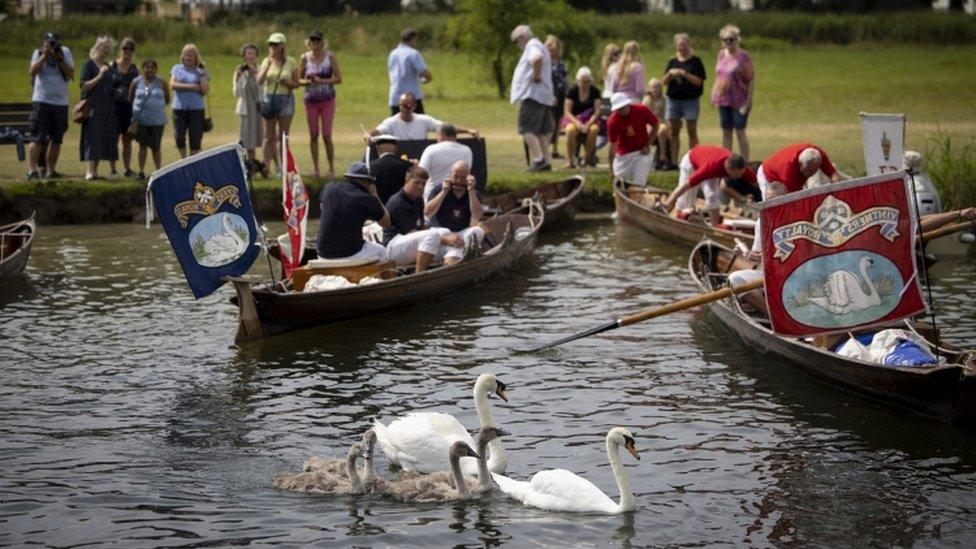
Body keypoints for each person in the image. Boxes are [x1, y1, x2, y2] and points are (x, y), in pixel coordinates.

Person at [384, 166, 468, 271]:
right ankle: (419, 277)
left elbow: (421, 227)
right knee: (434, 235)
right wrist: (444, 239)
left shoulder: (418, 200)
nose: (420, 187)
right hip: (393, 247)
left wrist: (448, 238)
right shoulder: (398, 202)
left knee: (448, 237)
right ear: (407, 181)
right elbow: (411, 233)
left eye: (423, 184)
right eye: (416, 182)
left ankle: (450, 272)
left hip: (410, 244)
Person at [661, 145, 755, 227]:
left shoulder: (740, 166)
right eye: (738, 174)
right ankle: (674, 215)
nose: (740, 177)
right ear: (729, 169)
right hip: (691, 162)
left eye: (741, 173)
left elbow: (758, 181)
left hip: (708, 163)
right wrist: (666, 204)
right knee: (685, 202)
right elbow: (683, 187)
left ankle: (714, 227)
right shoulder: (711, 167)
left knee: (711, 196)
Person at [315, 161, 390, 261]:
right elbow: (386, 223)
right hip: (349, 253)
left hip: (322, 253)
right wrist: (375, 195)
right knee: (382, 251)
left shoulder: (330, 187)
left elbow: (322, 207)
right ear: (367, 182)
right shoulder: (367, 198)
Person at [27, 31, 74, 180]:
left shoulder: (64, 52)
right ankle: (32, 170)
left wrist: (58, 58)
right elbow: (32, 72)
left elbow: (71, 73)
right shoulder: (38, 52)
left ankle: (51, 171)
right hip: (42, 101)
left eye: (54, 43)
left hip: (60, 103)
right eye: (49, 43)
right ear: (44, 43)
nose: (52, 45)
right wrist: (44, 55)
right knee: (37, 137)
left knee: (57, 138)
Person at [510, 24, 555, 173]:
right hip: (543, 95)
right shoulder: (539, 45)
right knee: (541, 131)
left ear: (521, 37)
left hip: (533, 94)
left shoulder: (532, 46)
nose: (517, 45)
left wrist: (536, 76)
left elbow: (537, 59)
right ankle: (545, 161)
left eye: (516, 42)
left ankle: (538, 159)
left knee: (526, 128)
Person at [299, 30, 341, 178]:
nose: (315, 43)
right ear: (309, 42)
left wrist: (322, 81)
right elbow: (299, 80)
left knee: (327, 135)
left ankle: (331, 168)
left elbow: (338, 78)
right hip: (310, 101)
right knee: (313, 135)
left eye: (318, 40)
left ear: (322, 42)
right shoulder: (304, 58)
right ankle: (316, 168)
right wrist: (309, 81)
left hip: (327, 100)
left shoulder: (330, 57)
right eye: (312, 40)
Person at [662, 33, 706, 170]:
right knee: (674, 131)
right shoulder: (672, 61)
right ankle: (674, 161)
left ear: (689, 44)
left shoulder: (696, 62)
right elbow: (664, 81)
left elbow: (699, 82)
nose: (681, 48)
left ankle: (694, 160)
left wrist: (684, 74)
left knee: (691, 131)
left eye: (684, 45)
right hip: (674, 100)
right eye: (679, 45)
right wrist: (671, 74)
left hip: (690, 100)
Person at [711, 25, 754, 161]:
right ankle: (727, 160)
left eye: (731, 39)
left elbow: (751, 79)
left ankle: (745, 162)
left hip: (740, 100)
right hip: (723, 99)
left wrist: (749, 100)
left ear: (737, 40)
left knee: (740, 131)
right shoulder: (721, 54)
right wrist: (714, 94)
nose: (728, 42)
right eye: (725, 40)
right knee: (726, 131)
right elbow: (718, 76)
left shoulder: (743, 57)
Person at [423, 160, 485, 254]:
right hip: (441, 232)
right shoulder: (439, 189)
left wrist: (471, 191)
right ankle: (463, 251)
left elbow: (477, 216)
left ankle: (463, 251)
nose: (459, 181)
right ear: (450, 174)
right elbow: (427, 212)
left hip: (461, 233)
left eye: (462, 177)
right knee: (443, 232)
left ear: (468, 177)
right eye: (456, 176)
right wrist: (443, 192)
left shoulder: (473, 193)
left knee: (478, 231)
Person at [257, 32, 298, 176]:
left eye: (275, 44)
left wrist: (287, 83)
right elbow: (260, 81)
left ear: (282, 45)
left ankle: (284, 168)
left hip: (286, 99)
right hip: (269, 99)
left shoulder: (291, 62)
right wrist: (267, 67)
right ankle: (266, 168)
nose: (272, 47)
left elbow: (296, 83)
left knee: (283, 136)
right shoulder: (266, 61)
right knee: (268, 137)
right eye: (270, 44)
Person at [79, 35, 118, 181]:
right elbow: (84, 87)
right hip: (92, 108)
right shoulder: (89, 65)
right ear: (98, 47)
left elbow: (112, 86)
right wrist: (100, 75)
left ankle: (94, 172)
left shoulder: (108, 66)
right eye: (104, 47)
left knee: (101, 139)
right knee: (92, 137)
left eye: (109, 48)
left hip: (106, 108)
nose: (106, 50)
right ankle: (89, 171)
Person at [368, 92, 478, 141]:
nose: (404, 109)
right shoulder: (391, 122)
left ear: (414, 106)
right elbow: (378, 131)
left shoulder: (423, 120)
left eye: (408, 105)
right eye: (402, 105)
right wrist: (368, 135)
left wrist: (468, 130)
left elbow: (445, 128)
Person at [128, 58, 169, 179]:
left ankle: (158, 171)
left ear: (156, 69)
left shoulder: (161, 82)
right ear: (142, 69)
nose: (149, 70)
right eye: (147, 67)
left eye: (152, 67)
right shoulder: (136, 82)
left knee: (156, 147)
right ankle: (141, 171)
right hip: (141, 121)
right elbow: (131, 98)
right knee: (142, 146)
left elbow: (167, 98)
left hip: (158, 121)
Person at [607, 92, 657, 188]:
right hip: (623, 154)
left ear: (628, 103)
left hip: (641, 152)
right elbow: (612, 145)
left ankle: (636, 198)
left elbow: (655, 124)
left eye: (624, 106)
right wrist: (610, 169)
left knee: (639, 183)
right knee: (618, 183)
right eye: (619, 108)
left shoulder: (641, 110)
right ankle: (620, 200)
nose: (622, 109)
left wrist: (648, 145)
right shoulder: (612, 121)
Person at [758, 143, 844, 197]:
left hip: (787, 173)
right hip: (768, 175)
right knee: (772, 206)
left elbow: (835, 176)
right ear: (801, 164)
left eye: (812, 171)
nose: (810, 175)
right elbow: (794, 198)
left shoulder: (817, 154)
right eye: (808, 172)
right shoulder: (788, 170)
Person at [169, 43, 209, 158]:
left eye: (191, 55)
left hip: (196, 109)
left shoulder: (201, 70)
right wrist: (191, 87)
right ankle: (183, 159)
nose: (188, 57)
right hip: (179, 109)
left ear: (196, 57)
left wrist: (202, 73)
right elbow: (172, 84)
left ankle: (192, 161)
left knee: (195, 138)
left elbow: (205, 90)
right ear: (182, 56)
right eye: (186, 55)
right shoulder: (176, 68)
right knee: (179, 136)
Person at [562, 66, 602, 169]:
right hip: (574, 119)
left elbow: (597, 110)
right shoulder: (572, 92)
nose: (585, 84)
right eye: (583, 81)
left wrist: (588, 123)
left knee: (594, 130)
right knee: (570, 130)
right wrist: (578, 123)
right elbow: (567, 111)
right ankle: (570, 160)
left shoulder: (595, 91)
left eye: (588, 81)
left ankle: (586, 159)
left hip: (590, 120)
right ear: (578, 81)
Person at [418, 123, 473, 199]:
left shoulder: (431, 149)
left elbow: (421, 173)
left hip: (433, 195)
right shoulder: (467, 150)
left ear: (441, 135)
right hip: (458, 196)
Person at [110, 37, 139, 178]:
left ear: (134, 51)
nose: (127, 51)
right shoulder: (112, 65)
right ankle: (113, 168)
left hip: (129, 107)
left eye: (130, 49)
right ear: (120, 49)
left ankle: (127, 168)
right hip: (114, 107)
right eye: (125, 48)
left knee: (127, 139)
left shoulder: (135, 69)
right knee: (114, 138)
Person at [233, 43, 264, 175]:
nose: (250, 56)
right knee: (246, 139)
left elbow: (263, 88)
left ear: (256, 55)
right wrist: (240, 77)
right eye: (248, 53)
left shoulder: (261, 69)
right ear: (244, 56)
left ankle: (258, 166)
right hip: (246, 109)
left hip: (258, 108)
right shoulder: (240, 71)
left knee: (258, 137)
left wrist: (256, 75)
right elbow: (237, 93)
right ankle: (249, 166)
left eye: (253, 53)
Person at [387, 28, 432, 116]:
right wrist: (426, 80)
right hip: (411, 97)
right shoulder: (413, 53)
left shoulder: (393, 54)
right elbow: (425, 74)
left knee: (395, 126)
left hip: (395, 96)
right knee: (418, 125)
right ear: (412, 39)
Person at [369, 134, 411, 204]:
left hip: (379, 208)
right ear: (395, 148)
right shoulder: (407, 165)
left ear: (377, 147)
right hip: (401, 206)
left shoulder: (371, 166)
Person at [545, 35, 567, 161]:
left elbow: (564, 78)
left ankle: (555, 149)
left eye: (553, 44)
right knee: (550, 122)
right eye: (549, 44)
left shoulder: (560, 61)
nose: (551, 47)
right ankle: (546, 149)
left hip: (561, 94)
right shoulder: (545, 61)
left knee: (559, 122)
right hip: (550, 94)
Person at [642, 77, 671, 170]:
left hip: (661, 123)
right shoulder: (646, 100)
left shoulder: (664, 99)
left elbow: (667, 115)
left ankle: (662, 155)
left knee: (662, 130)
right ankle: (647, 157)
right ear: (649, 88)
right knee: (649, 131)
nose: (655, 89)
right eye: (653, 87)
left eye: (657, 87)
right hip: (649, 123)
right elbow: (642, 115)